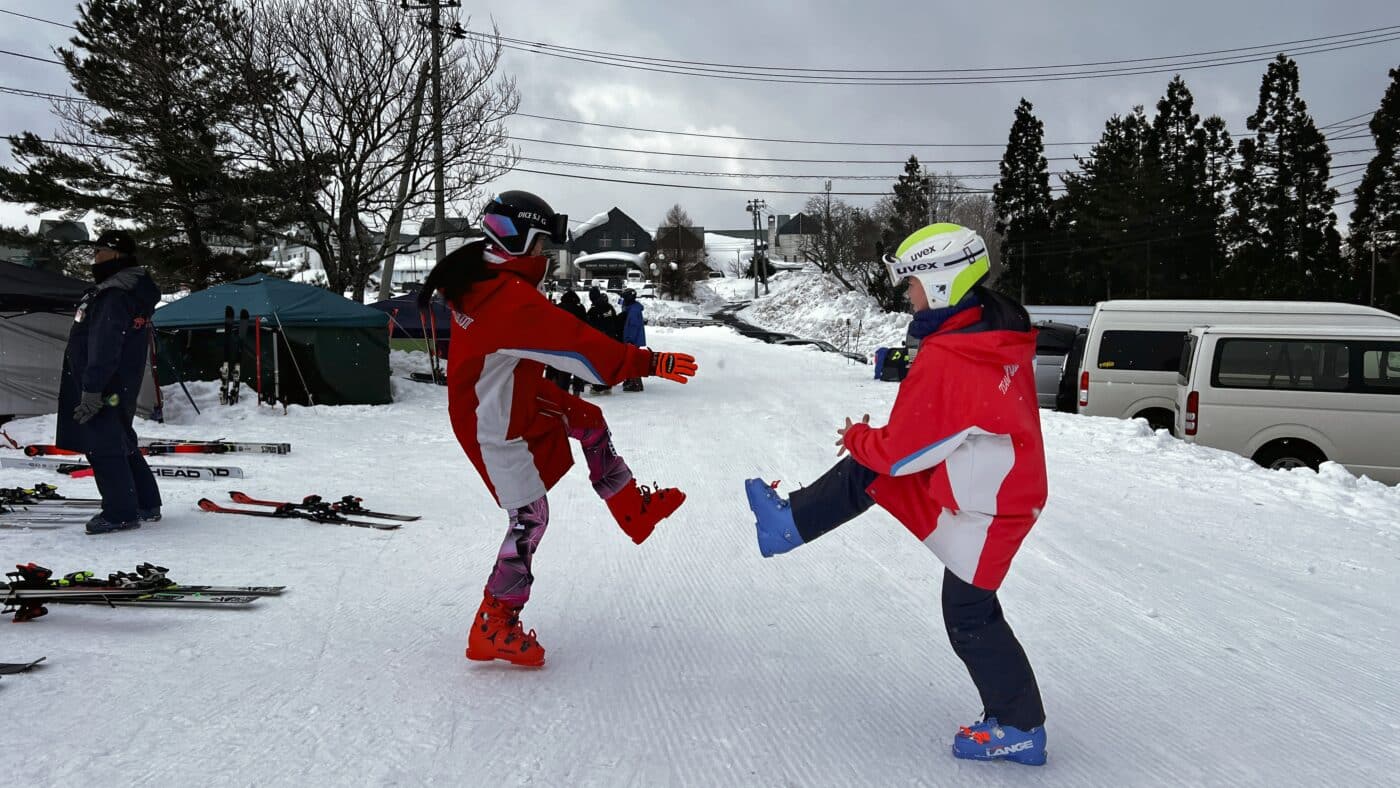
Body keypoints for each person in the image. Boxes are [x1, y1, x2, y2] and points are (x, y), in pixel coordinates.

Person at [742, 223, 1049, 766]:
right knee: (873, 476)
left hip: (990, 505)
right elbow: (928, 435)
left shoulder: (952, 355)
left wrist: (860, 438)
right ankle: (788, 522)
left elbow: (904, 452)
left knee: (969, 612)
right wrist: (874, 448)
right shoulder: (988, 328)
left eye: (911, 283)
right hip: (990, 481)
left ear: (943, 283)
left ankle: (1022, 728)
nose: (905, 293)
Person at [419, 190, 699, 667]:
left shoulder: (481, 271)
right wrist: (646, 360)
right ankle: (494, 621)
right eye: (542, 244)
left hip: (509, 389)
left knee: (589, 418)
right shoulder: (503, 297)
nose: (545, 255)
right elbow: (579, 350)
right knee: (530, 517)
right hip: (490, 415)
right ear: (520, 237)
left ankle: (633, 509)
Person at [54, 229, 163, 535]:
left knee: (102, 444)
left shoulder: (114, 295)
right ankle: (145, 501)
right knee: (120, 439)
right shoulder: (128, 292)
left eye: (100, 251)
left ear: (116, 254)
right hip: (120, 382)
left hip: (105, 383)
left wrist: (91, 389)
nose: (94, 256)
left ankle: (119, 512)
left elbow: (104, 346)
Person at [585, 286, 620, 395]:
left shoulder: (593, 310)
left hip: (599, 341)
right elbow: (615, 321)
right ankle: (607, 384)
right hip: (611, 338)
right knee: (608, 362)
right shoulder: (609, 307)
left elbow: (588, 326)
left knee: (597, 363)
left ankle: (597, 386)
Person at [554, 289, 588, 395]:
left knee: (564, 368)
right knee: (578, 367)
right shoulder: (580, 308)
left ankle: (562, 391)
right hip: (577, 341)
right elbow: (585, 324)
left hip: (562, 342)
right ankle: (577, 391)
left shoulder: (559, 307)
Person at [619, 288, 646, 392]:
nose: (623, 300)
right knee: (629, 360)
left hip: (632, 339)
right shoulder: (630, 307)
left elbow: (633, 326)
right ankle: (630, 379)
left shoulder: (633, 310)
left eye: (624, 297)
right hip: (631, 339)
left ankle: (636, 383)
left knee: (632, 361)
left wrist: (630, 340)